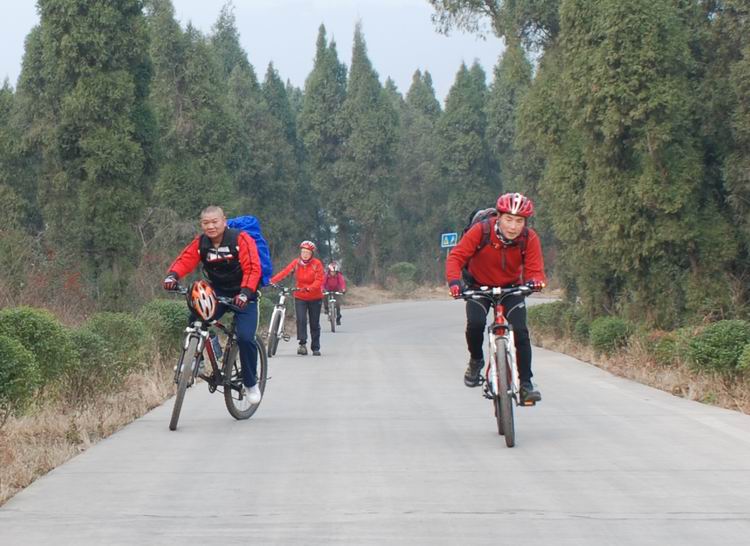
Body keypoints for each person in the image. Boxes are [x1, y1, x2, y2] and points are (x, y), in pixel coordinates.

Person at [445, 192, 546, 402]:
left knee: (521, 332)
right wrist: (455, 283)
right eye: (508, 219)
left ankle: (526, 384)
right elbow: (456, 257)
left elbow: (535, 269)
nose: (513, 227)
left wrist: (535, 281)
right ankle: (476, 361)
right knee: (475, 324)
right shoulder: (481, 231)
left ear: (525, 222)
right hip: (478, 287)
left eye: (519, 221)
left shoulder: (529, 238)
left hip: (511, 289)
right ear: (498, 217)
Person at [162, 206, 263, 404]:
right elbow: (185, 260)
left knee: (245, 338)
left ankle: (251, 383)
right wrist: (172, 276)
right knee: (196, 318)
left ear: (224, 221)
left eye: (215, 222)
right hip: (218, 292)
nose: (211, 226)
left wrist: (245, 293)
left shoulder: (240, 239)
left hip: (245, 294)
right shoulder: (201, 243)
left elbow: (253, 268)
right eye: (206, 223)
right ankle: (194, 361)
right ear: (201, 225)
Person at [270, 241, 325, 356]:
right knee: (301, 320)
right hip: (300, 296)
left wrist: (310, 288)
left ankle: (315, 347)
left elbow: (319, 280)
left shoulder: (317, 264)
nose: (305, 254)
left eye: (307, 252)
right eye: (303, 252)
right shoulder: (296, 263)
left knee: (314, 323)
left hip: (315, 297)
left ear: (312, 254)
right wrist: (272, 281)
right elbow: (285, 272)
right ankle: (302, 345)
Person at [323, 260, 347, 325]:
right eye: (332, 272)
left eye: (334, 272)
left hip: (336, 290)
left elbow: (342, 282)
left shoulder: (339, 275)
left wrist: (343, 289)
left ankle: (338, 317)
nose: (333, 273)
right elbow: (323, 283)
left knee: (338, 303)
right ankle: (326, 309)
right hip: (328, 289)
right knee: (324, 296)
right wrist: (322, 289)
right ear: (329, 271)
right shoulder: (326, 275)